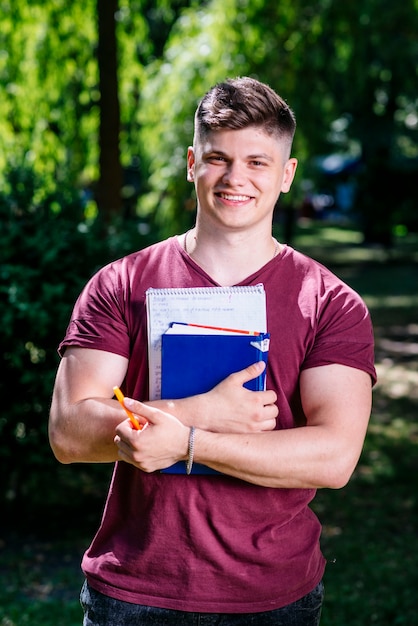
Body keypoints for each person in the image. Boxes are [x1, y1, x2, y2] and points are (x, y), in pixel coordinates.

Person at [49, 77, 376, 626]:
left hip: (276, 596)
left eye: (257, 162)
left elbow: (334, 457)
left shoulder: (330, 302)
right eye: (218, 158)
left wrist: (191, 442)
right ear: (191, 163)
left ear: (287, 175)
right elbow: (67, 433)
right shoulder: (120, 283)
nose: (235, 178)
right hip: (135, 591)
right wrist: (195, 411)